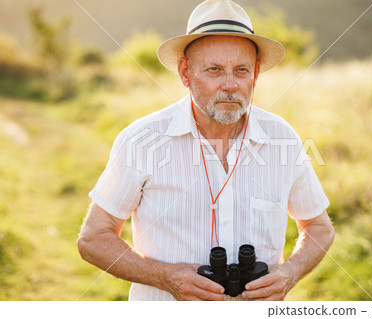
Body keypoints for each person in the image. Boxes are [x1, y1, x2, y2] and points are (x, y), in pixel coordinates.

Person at [77, 0, 334, 301]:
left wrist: (289, 273)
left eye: (241, 70)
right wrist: (166, 277)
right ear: (185, 72)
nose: (230, 85)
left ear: (256, 73)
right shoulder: (142, 140)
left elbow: (319, 227)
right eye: (214, 70)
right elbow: (93, 239)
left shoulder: (283, 138)